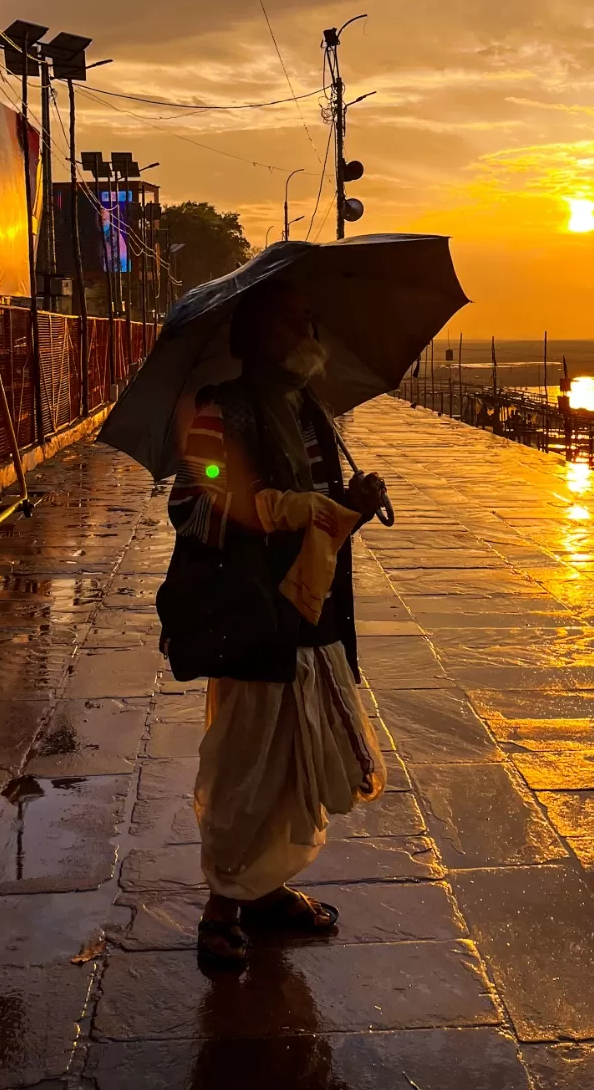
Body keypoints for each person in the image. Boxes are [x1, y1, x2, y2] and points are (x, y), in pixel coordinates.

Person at [156, 279, 388, 968]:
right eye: (296, 321)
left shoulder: (308, 408)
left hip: (311, 607)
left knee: (293, 762)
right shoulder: (220, 410)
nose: (308, 334)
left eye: (312, 320)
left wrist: (347, 502)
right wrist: (292, 508)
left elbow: (316, 503)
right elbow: (195, 505)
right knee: (246, 764)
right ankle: (221, 909)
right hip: (253, 611)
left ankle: (262, 890)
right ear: (258, 332)